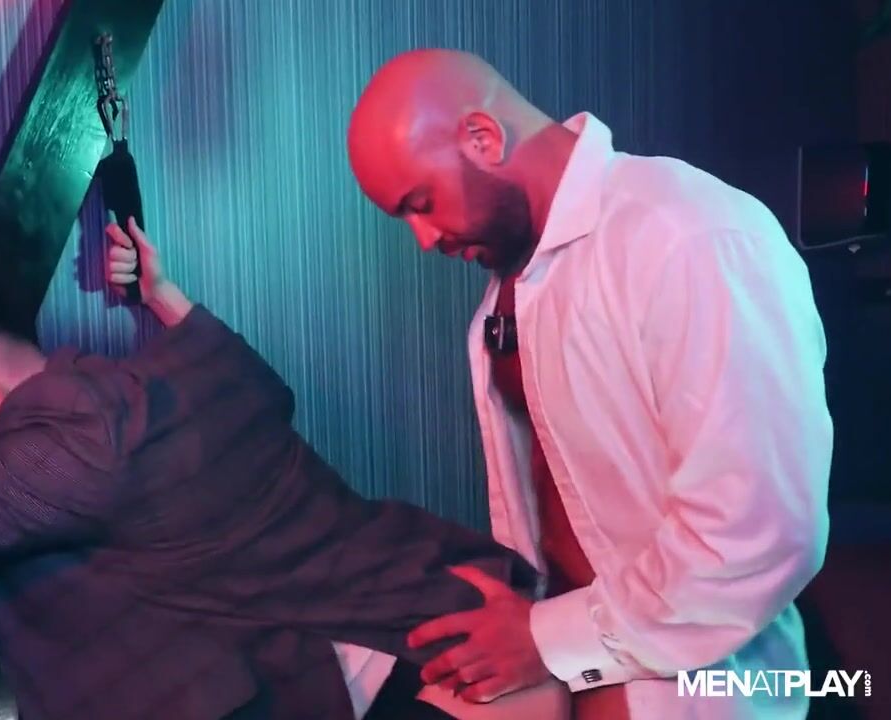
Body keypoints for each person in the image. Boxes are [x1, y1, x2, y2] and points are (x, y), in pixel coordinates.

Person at [0, 197, 568, 719]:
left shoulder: (60, 451)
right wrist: (162, 294)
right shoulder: (180, 374)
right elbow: (249, 379)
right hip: (463, 615)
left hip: (438, 685)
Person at [346, 49, 832, 719]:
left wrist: (546, 640)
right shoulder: (513, 288)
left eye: (421, 205)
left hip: (696, 686)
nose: (424, 239)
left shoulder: (690, 236)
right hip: (564, 663)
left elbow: (759, 534)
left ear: (482, 137)